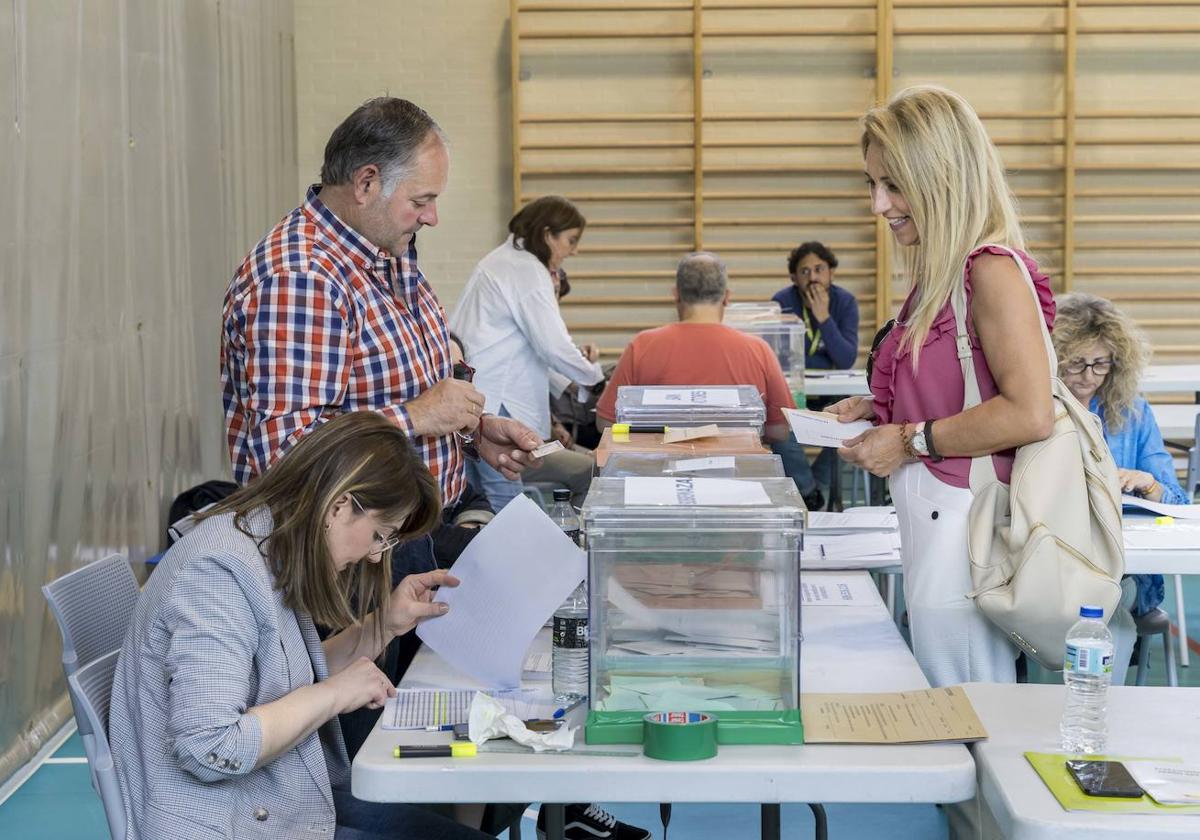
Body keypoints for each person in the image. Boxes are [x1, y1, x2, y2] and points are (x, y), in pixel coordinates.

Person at [110, 411, 491, 840]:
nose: (375, 555)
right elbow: (212, 747)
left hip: (272, 800)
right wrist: (333, 694)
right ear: (339, 505)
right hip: (229, 820)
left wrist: (384, 624)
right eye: (380, 535)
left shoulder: (262, 541)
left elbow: (280, 673)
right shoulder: (219, 572)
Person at [831, 85, 1056, 688]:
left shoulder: (991, 271)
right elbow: (957, 391)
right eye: (872, 184)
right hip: (935, 521)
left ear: (941, 179)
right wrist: (874, 410)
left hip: (966, 526)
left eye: (894, 185)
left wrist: (907, 441)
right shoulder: (943, 274)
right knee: (953, 697)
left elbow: (1030, 413)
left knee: (971, 713)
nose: (878, 205)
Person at [221, 95, 542, 508]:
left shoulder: (386, 250)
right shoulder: (302, 279)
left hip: (420, 524)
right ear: (366, 183)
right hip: (360, 556)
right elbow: (287, 453)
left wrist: (471, 430)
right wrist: (417, 416)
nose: (432, 217)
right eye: (421, 201)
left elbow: (398, 392)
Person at [596, 254, 812, 506]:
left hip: (658, 489)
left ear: (676, 294)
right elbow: (779, 429)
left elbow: (605, 422)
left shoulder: (642, 345)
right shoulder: (758, 350)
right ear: (727, 297)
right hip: (740, 488)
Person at [1052, 291, 1189, 671]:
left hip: (1122, 564)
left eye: (1100, 364)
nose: (1088, 377)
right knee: (1110, 620)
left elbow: (1178, 503)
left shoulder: (1133, 412)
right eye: (1075, 364)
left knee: (1112, 602)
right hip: (1056, 559)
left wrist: (1149, 484)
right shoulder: (1036, 411)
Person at [450, 195, 603, 511]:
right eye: (571, 240)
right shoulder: (526, 269)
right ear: (548, 235)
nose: (575, 250)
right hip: (493, 401)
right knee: (504, 502)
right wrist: (596, 382)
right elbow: (553, 346)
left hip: (485, 396)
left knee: (490, 498)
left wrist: (575, 384)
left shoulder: (506, 262)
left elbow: (532, 352)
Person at [772, 241, 860, 371]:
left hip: (833, 388)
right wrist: (827, 363)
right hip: (795, 384)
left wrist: (824, 318)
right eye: (804, 271)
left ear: (831, 273)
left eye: (819, 269)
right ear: (794, 278)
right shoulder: (782, 303)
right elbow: (782, 360)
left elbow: (846, 361)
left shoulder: (846, 302)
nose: (812, 277)